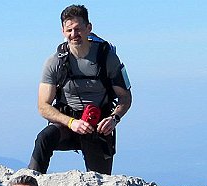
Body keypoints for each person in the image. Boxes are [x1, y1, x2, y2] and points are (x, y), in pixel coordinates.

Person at [27, 4, 132, 175]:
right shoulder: (55, 62)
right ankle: (30, 183)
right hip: (66, 124)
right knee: (44, 138)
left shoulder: (107, 58)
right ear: (63, 31)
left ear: (88, 28)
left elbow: (125, 97)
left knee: (100, 180)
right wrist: (71, 123)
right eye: (69, 30)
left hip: (98, 126)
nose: (74, 34)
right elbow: (43, 106)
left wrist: (114, 119)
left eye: (78, 29)